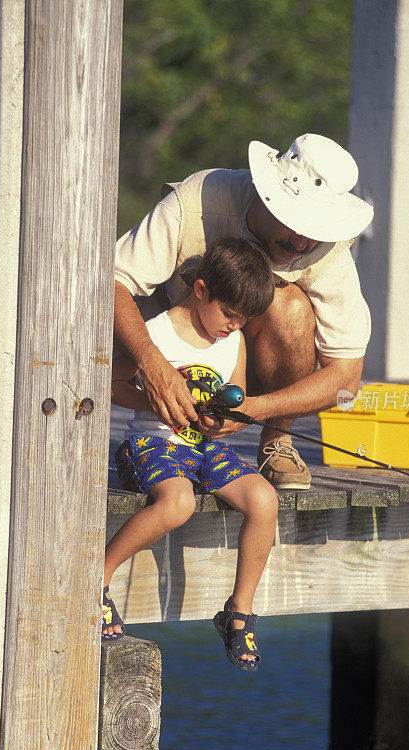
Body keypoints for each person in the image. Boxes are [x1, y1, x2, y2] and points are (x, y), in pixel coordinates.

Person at [113, 133, 374, 490]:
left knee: (292, 308)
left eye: (315, 231)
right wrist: (152, 365)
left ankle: (278, 440)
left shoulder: (329, 253)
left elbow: (346, 381)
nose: (302, 243)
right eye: (295, 224)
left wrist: (258, 408)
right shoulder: (196, 201)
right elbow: (112, 282)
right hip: (160, 343)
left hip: (245, 367)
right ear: (267, 197)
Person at [104, 237, 279, 671]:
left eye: (243, 321)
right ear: (201, 290)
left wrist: (224, 419)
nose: (233, 327)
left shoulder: (232, 341)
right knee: (179, 502)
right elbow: (110, 385)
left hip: (206, 449)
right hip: (152, 444)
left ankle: (238, 612)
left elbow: (232, 397)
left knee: (264, 499)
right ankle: (97, 575)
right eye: (229, 314)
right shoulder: (155, 333)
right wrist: (158, 402)